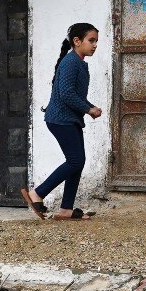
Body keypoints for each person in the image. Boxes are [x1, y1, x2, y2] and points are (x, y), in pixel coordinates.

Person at [21, 23, 101, 221]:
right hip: (60, 119)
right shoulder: (71, 62)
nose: (95, 45)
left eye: (96, 41)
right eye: (91, 40)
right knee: (75, 161)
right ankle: (37, 194)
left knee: (77, 162)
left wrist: (89, 108)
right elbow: (66, 94)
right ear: (77, 41)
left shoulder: (79, 62)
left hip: (69, 119)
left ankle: (66, 209)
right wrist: (88, 109)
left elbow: (75, 94)